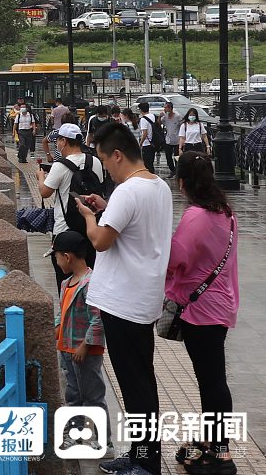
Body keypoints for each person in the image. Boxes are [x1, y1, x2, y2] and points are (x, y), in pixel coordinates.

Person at [76, 122, 173, 475]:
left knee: (137, 389)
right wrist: (106, 206)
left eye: (105, 161)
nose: (107, 170)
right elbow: (132, 228)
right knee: (140, 383)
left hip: (124, 303)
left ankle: (146, 464)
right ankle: (139, 456)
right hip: (141, 299)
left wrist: (89, 216)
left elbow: (101, 241)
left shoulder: (129, 191)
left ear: (117, 155)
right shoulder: (157, 186)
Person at [165, 152, 239, 475]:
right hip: (220, 304)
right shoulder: (226, 213)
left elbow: (174, 259)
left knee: (212, 382)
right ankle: (211, 442)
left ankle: (221, 455)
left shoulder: (195, 217)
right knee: (213, 379)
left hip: (201, 311)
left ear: (183, 183)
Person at [52, 230, 109, 452]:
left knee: (93, 396)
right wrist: (57, 329)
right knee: (73, 395)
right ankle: (76, 436)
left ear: (67, 257)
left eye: (56, 257)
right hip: (66, 348)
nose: (56, 262)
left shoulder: (91, 283)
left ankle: (103, 440)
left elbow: (98, 318)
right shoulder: (67, 283)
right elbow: (62, 310)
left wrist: (86, 345)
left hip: (85, 352)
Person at [38, 123, 105, 284]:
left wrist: (40, 176)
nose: (57, 144)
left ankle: (67, 308)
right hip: (91, 228)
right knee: (88, 278)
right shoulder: (94, 161)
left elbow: (45, 192)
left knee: (65, 281)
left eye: (58, 141)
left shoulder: (60, 165)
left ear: (64, 141)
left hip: (64, 229)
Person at [161, 102, 183, 178]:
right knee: (168, 156)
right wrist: (159, 116)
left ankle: (177, 171)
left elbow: (181, 126)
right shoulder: (165, 116)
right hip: (168, 139)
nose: (165, 109)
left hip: (177, 140)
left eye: (166, 107)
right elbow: (159, 122)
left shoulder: (177, 116)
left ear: (170, 108)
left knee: (176, 157)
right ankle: (172, 170)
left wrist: (182, 138)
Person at [138, 102, 158, 173]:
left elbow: (145, 133)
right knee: (151, 162)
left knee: (147, 164)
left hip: (147, 144)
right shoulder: (153, 116)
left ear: (141, 110)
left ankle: (151, 177)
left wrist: (140, 143)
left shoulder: (143, 119)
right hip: (154, 142)